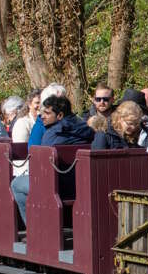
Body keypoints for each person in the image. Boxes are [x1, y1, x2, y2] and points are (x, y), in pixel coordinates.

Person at [10, 92, 95, 223]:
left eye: (47, 113)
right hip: (83, 186)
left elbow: (42, 167)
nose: (42, 117)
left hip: (57, 187)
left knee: (16, 184)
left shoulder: (53, 134)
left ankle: (34, 227)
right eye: (42, 112)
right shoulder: (86, 130)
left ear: (60, 115)